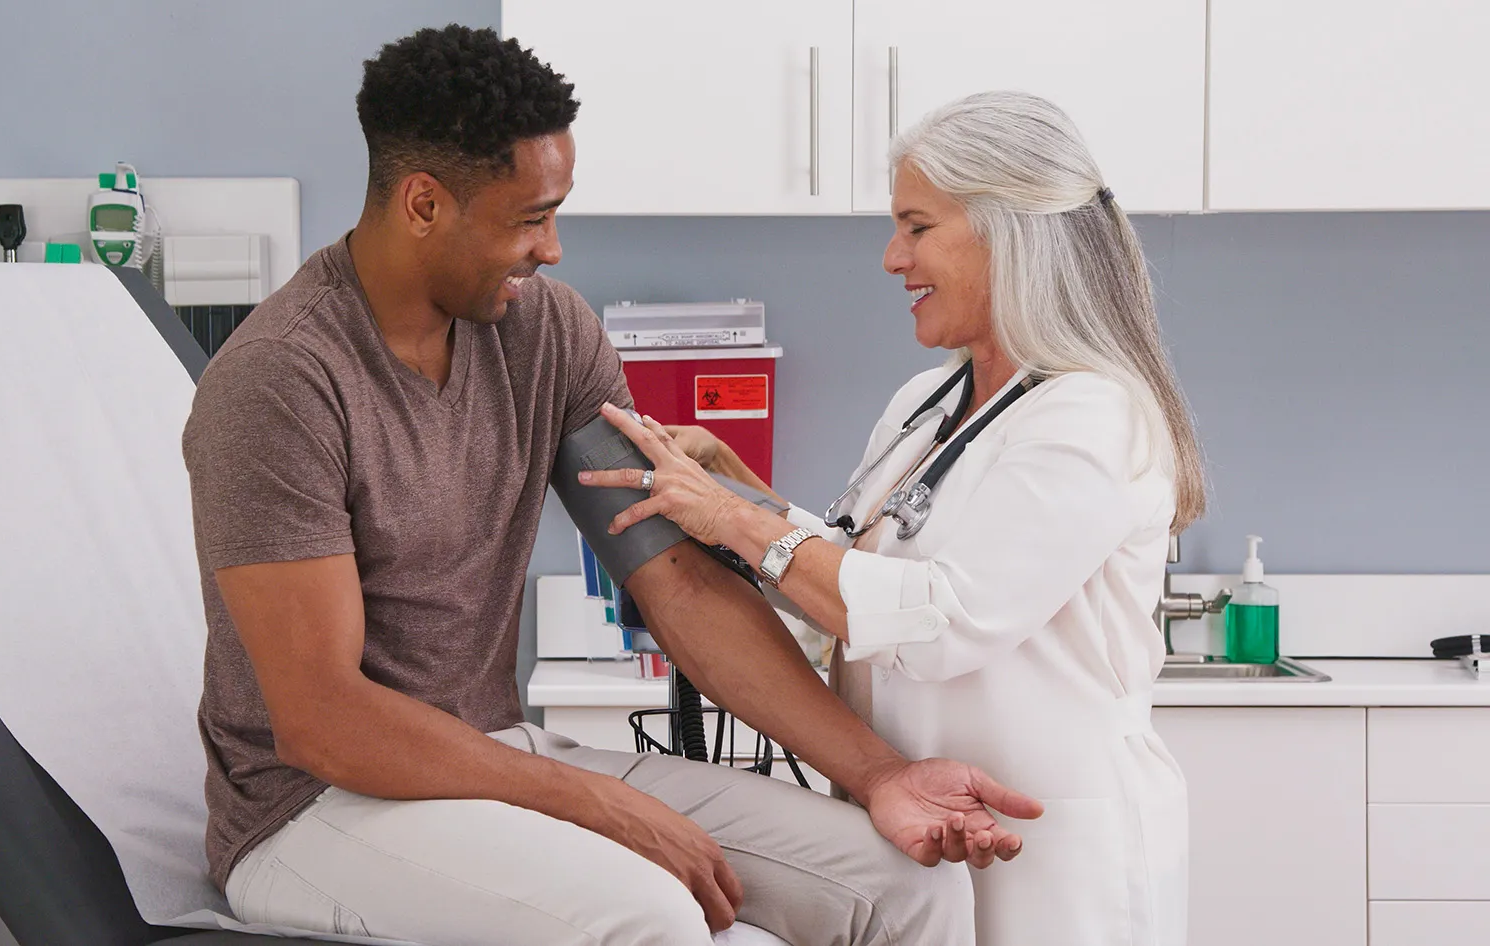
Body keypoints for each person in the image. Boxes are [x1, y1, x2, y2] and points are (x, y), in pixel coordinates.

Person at [182, 26, 1042, 946]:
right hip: (312, 814)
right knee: (649, 916)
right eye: (526, 219)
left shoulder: (546, 333)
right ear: (423, 204)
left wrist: (878, 777)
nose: (552, 248)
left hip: (491, 757)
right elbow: (321, 721)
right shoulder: (279, 382)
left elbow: (674, 578)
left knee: (908, 887)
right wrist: (595, 803)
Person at [581, 90, 1203, 946]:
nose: (890, 258)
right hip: (924, 824)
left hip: (1055, 841)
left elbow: (943, 617)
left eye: (917, 227)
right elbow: (856, 575)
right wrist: (740, 489)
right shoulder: (930, 401)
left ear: (1006, 230)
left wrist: (734, 518)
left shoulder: (1094, 415)